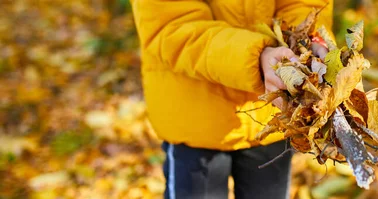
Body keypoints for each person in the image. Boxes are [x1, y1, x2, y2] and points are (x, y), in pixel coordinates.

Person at [130, 0, 332, 198]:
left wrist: (307, 41)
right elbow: (172, 25)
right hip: (196, 116)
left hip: (271, 115)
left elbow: (301, 3)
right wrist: (255, 58)